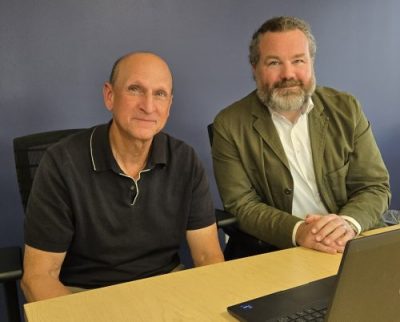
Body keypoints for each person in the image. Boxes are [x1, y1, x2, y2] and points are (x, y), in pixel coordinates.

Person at [21, 52, 224, 302]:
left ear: (169, 106)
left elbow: (207, 257)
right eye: (135, 89)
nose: (148, 106)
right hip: (85, 297)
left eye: (159, 94)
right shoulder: (61, 163)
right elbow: (38, 277)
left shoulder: (185, 160)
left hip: (166, 289)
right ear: (110, 96)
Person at [212, 16, 391, 257]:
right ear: (255, 68)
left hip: (351, 241)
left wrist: (347, 223)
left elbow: (374, 186)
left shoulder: (347, 109)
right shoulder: (230, 124)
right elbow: (241, 205)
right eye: (274, 62)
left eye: (298, 61)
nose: (288, 74)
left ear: (311, 63)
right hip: (280, 251)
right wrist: (299, 231)